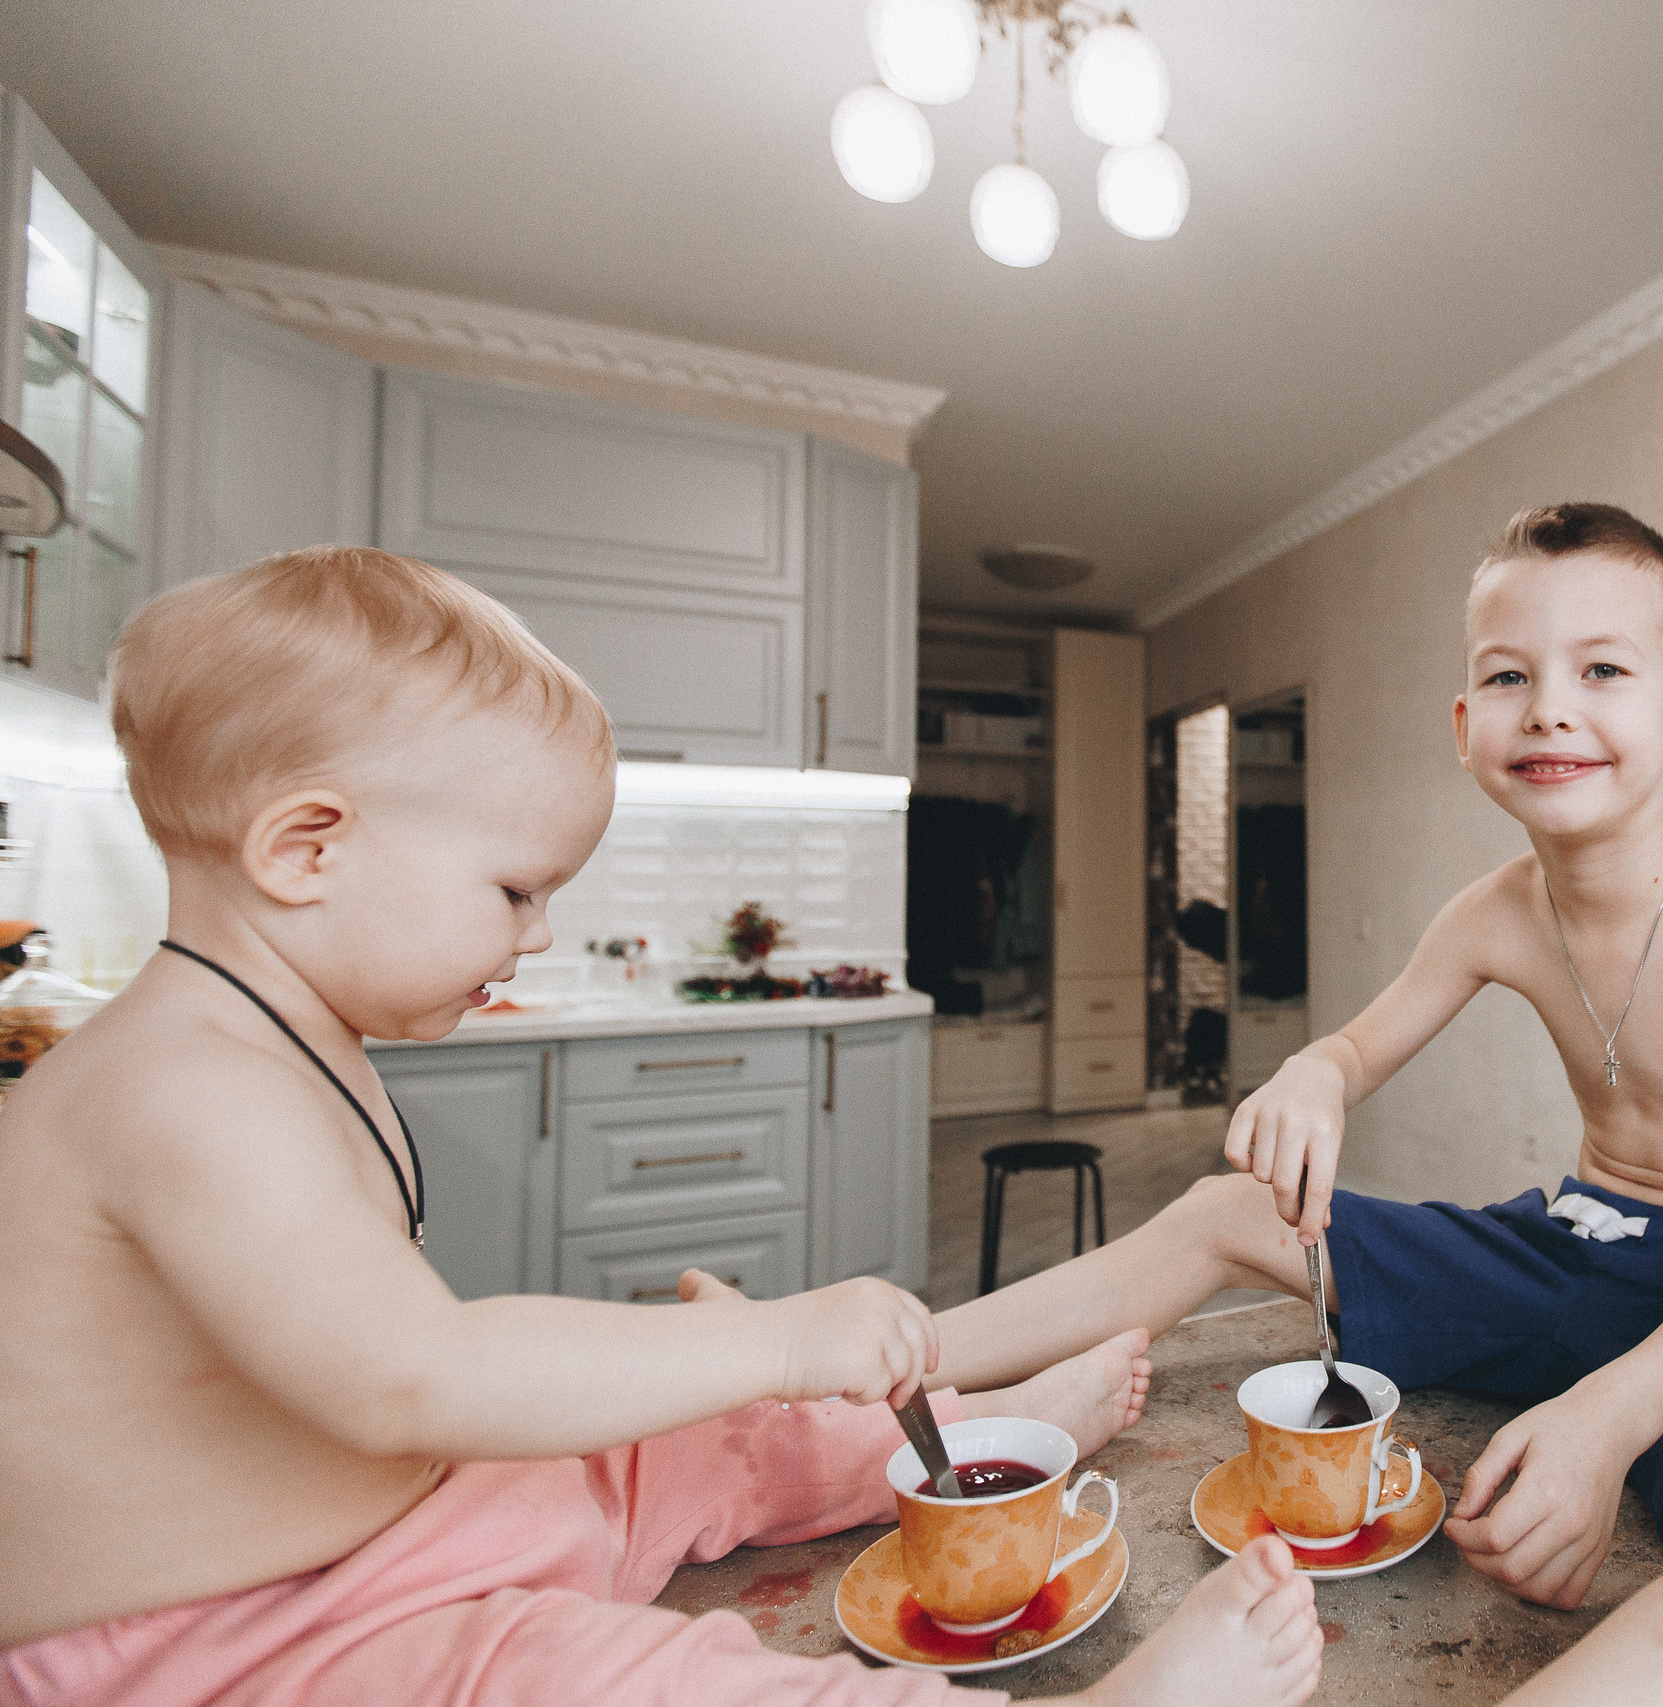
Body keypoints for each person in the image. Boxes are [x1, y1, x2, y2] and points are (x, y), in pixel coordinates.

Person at [0, 547, 1323, 1707]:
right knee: (608, 1681)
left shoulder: (287, 1035)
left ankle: (992, 1433)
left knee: (691, 1439)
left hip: (410, 1517)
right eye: (516, 887)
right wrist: (775, 1334)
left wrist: (733, 1363)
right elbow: (412, 1371)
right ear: (305, 848)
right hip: (229, 1638)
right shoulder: (182, 1084)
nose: (535, 932)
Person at [930, 505, 1663, 1707]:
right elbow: (1357, 1050)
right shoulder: (1495, 912)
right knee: (1225, 1208)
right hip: (1564, 1255)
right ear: (1468, 729)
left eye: (1603, 670)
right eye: (1508, 676)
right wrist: (1315, 1070)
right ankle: (872, 1373)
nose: (1551, 707)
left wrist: (1608, 1418)